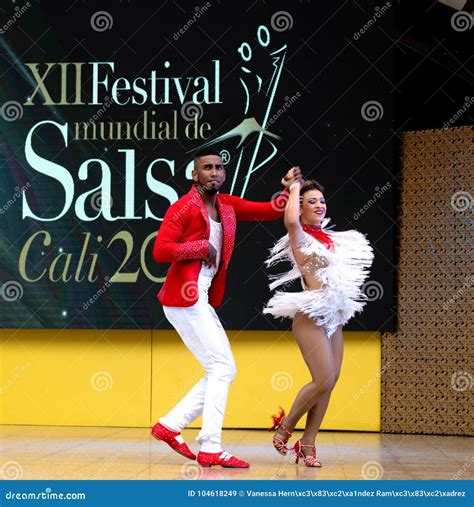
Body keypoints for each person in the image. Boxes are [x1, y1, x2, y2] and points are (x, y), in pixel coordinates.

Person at [151, 148, 301, 468]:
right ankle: (210, 446)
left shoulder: (227, 206)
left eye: (220, 167)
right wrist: (199, 247)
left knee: (223, 369)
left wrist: (290, 188)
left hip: (199, 298)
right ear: (195, 174)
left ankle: (171, 426)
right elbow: (160, 250)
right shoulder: (183, 208)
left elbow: (272, 209)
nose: (215, 172)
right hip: (184, 298)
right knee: (222, 368)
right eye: (207, 168)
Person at [263, 172, 374, 467]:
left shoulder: (329, 239)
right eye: (312, 202)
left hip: (333, 317)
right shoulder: (298, 236)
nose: (320, 205)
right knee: (322, 378)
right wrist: (294, 187)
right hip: (311, 315)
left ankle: (308, 443)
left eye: (322, 201)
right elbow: (289, 221)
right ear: (299, 208)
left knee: (330, 382)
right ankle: (285, 428)